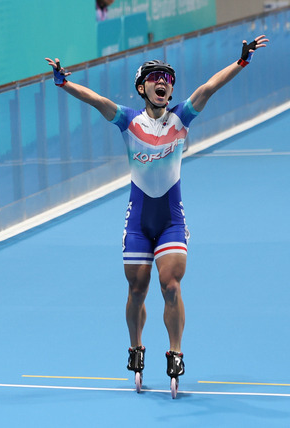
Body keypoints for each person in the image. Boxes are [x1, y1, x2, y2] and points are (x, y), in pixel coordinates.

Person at [46, 34, 269, 386]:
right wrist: (64, 83)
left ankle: (175, 351)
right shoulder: (128, 120)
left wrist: (241, 62)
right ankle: (135, 347)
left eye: (166, 79)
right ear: (141, 88)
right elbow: (97, 101)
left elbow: (209, 87)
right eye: (154, 78)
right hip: (137, 222)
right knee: (137, 289)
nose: (162, 82)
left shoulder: (181, 116)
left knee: (171, 286)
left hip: (170, 221)